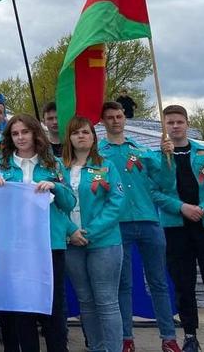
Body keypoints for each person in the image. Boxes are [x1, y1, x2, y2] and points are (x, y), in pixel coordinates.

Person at [97, 101, 180, 352]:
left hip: (148, 222)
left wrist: (168, 158)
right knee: (123, 284)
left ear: (125, 118)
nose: (115, 120)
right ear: (102, 122)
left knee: (158, 282)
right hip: (118, 224)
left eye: (119, 116)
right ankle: (126, 338)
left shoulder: (142, 150)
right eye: (110, 117)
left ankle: (168, 337)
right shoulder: (99, 153)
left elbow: (166, 183)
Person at [0, 114, 75, 352]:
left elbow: (69, 203)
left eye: (24, 132)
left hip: (49, 245)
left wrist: (55, 186)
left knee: (53, 306)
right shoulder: (0, 167)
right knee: (22, 307)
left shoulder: (53, 165)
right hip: (16, 247)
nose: (20, 137)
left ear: (35, 133)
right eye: (15, 133)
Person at [158, 105, 204, 352]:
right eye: (170, 123)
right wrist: (181, 207)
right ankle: (190, 335)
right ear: (164, 125)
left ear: (187, 123)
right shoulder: (158, 155)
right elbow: (154, 191)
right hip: (177, 228)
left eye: (179, 122)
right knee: (183, 283)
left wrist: (202, 208)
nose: (175, 126)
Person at [61, 115, 125, 352]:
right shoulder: (59, 167)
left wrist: (90, 231)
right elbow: (53, 204)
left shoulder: (106, 165)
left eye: (85, 132)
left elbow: (117, 203)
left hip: (104, 243)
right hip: (71, 243)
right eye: (76, 132)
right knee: (86, 302)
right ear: (69, 138)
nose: (81, 136)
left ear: (93, 136)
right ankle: (97, 347)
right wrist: (71, 231)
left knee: (107, 302)